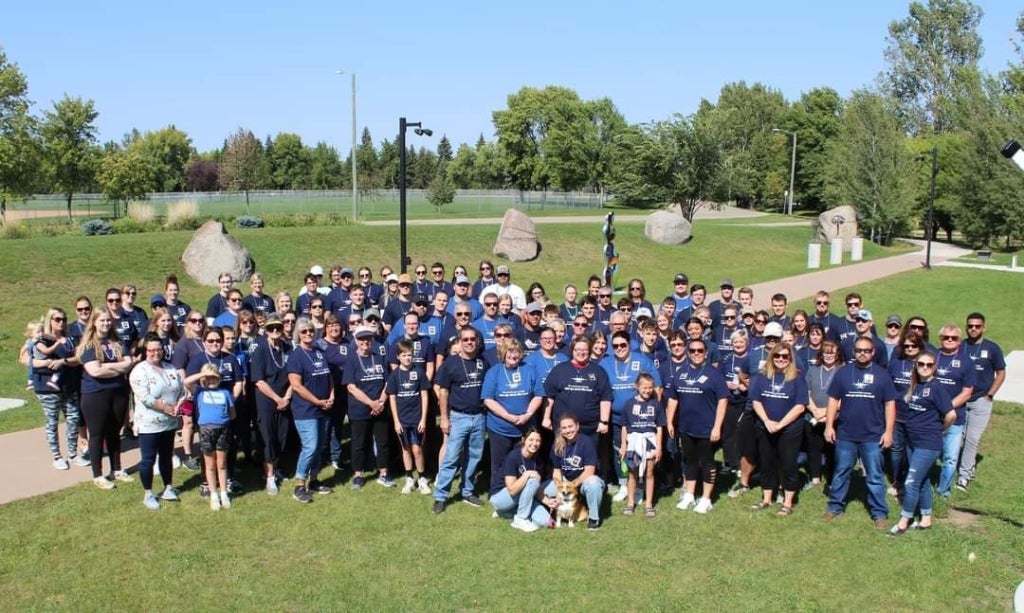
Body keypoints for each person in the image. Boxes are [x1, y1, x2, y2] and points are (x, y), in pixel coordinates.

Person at [823, 337, 897, 529]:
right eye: (858, 350)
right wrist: (829, 426)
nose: (862, 354)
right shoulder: (843, 373)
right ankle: (834, 507)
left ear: (873, 352)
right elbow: (832, 400)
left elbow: (890, 404)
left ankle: (879, 513)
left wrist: (889, 432)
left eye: (866, 350)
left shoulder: (882, 375)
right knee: (841, 471)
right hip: (846, 434)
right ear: (853, 352)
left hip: (873, 435)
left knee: (874, 476)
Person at [888, 351, 955, 536]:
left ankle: (904, 521)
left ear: (934, 367)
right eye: (921, 364)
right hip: (912, 441)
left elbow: (951, 414)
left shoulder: (937, 387)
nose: (925, 367)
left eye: (929, 365)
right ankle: (926, 519)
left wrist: (941, 429)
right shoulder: (915, 385)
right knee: (923, 481)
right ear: (916, 366)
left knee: (910, 483)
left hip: (928, 443)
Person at [664, 338, 729, 514]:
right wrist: (669, 420)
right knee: (690, 462)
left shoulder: (714, 374)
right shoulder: (680, 372)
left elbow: (723, 401)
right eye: (692, 351)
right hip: (686, 427)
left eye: (700, 351)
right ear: (687, 352)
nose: (696, 354)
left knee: (707, 462)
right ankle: (690, 495)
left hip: (707, 428)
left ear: (706, 353)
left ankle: (707, 498)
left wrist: (717, 427)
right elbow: (672, 398)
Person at [433, 326, 490, 514]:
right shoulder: (450, 364)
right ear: (460, 341)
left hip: (479, 417)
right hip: (458, 417)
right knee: (451, 457)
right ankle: (441, 496)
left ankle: (467, 491)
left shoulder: (483, 362)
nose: (470, 342)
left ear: (478, 341)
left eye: (473, 339)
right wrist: (444, 418)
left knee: (474, 457)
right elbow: (443, 392)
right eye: (465, 339)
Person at [77, 309, 135, 489]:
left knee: (114, 432)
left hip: (118, 393)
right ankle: (98, 475)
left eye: (109, 320)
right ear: (94, 322)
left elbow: (128, 364)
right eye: (102, 320)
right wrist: (117, 367)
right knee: (96, 435)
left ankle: (116, 469)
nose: (106, 323)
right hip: (96, 395)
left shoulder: (117, 342)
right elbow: (95, 371)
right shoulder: (89, 345)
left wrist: (107, 366)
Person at [601, 330, 661, 500]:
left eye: (623, 345)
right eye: (615, 346)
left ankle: (640, 486)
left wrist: (653, 410)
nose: (619, 348)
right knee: (621, 452)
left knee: (641, 452)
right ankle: (624, 485)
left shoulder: (642, 360)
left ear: (629, 344)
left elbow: (657, 387)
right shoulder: (605, 363)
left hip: (641, 420)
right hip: (617, 418)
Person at [749, 343, 807, 516]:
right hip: (765, 427)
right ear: (771, 357)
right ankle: (767, 499)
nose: (781, 359)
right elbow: (756, 401)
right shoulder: (762, 376)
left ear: (790, 358)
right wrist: (767, 421)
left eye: (785, 356)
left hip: (789, 430)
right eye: (777, 356)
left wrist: (780, 424)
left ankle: (788, 502)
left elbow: (800, 406)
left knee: (788, 464)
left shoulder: (797, 377)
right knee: (766, 463)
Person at [482, 339, 544, 498]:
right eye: (510, 351)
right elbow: (488, 399)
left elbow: (538, 395)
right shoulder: (494, 372)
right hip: (500, 428)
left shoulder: (529, 370)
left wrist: (528, 414)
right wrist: (509, 417)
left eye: (516, 352)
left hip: (525, 428)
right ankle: (497, 495)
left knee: (524, 462)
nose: (513, 355)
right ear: (503, 353)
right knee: (500, 464)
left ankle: (524, 494)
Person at [129, 335, 185, 510]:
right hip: (149, 424)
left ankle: (168, 487)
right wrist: (166, 408)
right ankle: (148, 493)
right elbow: (144, 396)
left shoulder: (170, 367)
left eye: (158, 349)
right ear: (145, 351)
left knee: (167, 455)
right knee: (148, 459)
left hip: (169, 422)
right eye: (151, 350)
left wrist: (179, 404)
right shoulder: (139, 370)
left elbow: (181, 389)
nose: (156, 353)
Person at [286, 317, 335, 504]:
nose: (308, 334)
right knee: (310, 446)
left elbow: (328, 376)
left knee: (320, 446)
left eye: (311, 331)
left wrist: (331, 395)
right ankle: (299, 485)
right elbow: (296, 386)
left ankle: (314, 480)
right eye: (304, 331)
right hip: (305, 409)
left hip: (323, 407)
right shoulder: (296, 356)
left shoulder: (319, 352)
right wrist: (317, 401)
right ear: (298, 334)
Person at [957, 313, 1006, 492]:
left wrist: (990, 394)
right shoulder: (960, 346)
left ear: (983, 327)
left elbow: (1001, 372)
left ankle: (964, 476)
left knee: (972, 439)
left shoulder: (992, 348)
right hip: (962, 400)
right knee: (959, 437)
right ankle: (968, 465)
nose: (973, 329)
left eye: (977, 326)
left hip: (981, 400)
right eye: (970, 326)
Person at [31, 308, 83, 469]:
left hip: (69, 385)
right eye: (57, 319)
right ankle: (57, 456)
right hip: (47, 388)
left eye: (64, 319)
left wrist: (64, 361)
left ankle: (73, 454)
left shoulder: (71, 339)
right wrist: (44, 363)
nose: (61, 322)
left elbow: (79, 357)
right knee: (52, 422)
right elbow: (28, 359)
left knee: (73, 419)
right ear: (50, 321)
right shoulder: (42, 339)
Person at [543, 335, 612, 451]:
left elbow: (605, 397)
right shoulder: (559, 370)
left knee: (588, 460)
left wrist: (604, 421)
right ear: (572, 350)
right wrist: (546, 418)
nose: (581, 353)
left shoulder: (598, 371)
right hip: (563, 428)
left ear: (589, 351)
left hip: (590, 428)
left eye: (585, 350)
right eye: (578, 350)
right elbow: (549, 396)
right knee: (562, 458)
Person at [343, 325, 391, 490]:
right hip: (360, 409)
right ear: (356, 341)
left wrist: (381, 402)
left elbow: (387, 382)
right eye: (362, 339)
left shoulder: (379, 357)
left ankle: (383, 473)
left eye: (368, 339)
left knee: (382, 441)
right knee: (359, 443)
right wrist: (372, 403)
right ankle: (358, 474)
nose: (365, 342)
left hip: (380, 407)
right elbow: (351, 387)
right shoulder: (351, 359)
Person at [251, 314, 292, 495]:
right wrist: (277, 399)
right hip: (267, 400)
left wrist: (287, 397)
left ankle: (276, 469)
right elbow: (259, 381)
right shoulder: (260, 350)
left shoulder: (288, 348)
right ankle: (269, 477)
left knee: (281, 437)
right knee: (268, 438)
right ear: (266, 330)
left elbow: (295, 375)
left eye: (278, 327)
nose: (275, 331)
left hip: (286, 398)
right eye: (271, 328)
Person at [933, 323, 974, 499]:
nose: (949, 340)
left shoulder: (966, 361)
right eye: (945, 337)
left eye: (954, 338)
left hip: (955, 417)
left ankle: (943, 491)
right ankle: (922, 485)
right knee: (929, 453)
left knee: (950, 457)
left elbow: (967, 392)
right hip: (931, 416)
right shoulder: (932, 356)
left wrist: (947, 407)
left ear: (959, 341)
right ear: (940, 339)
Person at [187, 364, 235, 510]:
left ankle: (224, 493)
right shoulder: (200, 391)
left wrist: (225, 420)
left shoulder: (225, 392)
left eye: (214, 377)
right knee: (210, 464)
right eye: (208, 378)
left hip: (223, 429)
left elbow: (232, 412)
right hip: (206, 430)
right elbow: (186, 382)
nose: (211, 380)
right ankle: (213, 494)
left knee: (221, 463)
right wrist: (203, 374)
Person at [544, 413, 605, 530]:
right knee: (541, 489)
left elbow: (589, 471)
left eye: (570, 426)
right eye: (564, 428)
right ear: (560, 430)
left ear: (577, 426)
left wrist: (572, 486)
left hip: (584, 481)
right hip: (566, 482)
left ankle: (593, 518)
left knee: (594, 485)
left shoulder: (587, 442)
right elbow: (556, 470)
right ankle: (547, 513)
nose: (568, 431)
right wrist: (559, 486)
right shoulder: (558, 444)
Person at [386, 340, 431, 495]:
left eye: (410, 355)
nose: (407, 358)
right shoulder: (394, 376)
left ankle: (422, 478)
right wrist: (396, 421)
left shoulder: (419, 372)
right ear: (398, 357)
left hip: (417, 418)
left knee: (417, 449)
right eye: (404, 355)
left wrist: (423, 419)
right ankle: (409, 478)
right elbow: (392, 399)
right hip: (402, 420)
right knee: (406, 449)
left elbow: (424, 396)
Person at [489, 428, 554, 532]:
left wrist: (549, 502)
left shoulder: (538, 461)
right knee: (533, 480)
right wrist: (527, 475)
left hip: (522, 497)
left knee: (548, 522)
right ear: (524, 440)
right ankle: (520, 519)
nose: (534, 443)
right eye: (531, 439)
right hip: (501, 497)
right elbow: (512, 490)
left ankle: (505, 513)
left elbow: (534, 490)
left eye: (538, 441)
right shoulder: (513, 456)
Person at [619, 373, 664, 517]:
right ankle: (631, 502)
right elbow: (624, 426)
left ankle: (649, 503)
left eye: (650, 388)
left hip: (650, 441)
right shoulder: (629, 404)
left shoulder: (656, 404)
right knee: (632, 473)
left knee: (649, 473)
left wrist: (659, 447)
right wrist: (624, 446)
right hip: (634, 441)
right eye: (644, 387)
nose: (647, 390)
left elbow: (659, 427)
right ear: (637, 387)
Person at [887, 333, 923, 497]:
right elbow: (888, 385)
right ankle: (896, 479)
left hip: (916, 416)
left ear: (919, 347)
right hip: (897, 412)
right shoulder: (896, 362)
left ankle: (909, 481)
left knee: (911, 450)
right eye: (906, 346)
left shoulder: (923, 364)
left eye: (913, 346)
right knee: (895, 449)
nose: (909, 349)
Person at [805, 341, 842, 491]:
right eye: (826, 352)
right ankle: (815, 478)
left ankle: (832, 480)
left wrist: (826, 412)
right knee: (813, 448)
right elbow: (806, 392)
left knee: (831, 450)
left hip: (834, 418)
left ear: (837, 354)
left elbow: (844, 397)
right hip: (812, 416)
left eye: (832, 352)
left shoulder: (842, 370)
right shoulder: (813, 369)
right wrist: (815, 411)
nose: (828, 355)